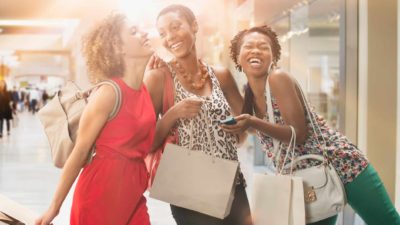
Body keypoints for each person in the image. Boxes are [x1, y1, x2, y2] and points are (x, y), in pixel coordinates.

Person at [223, 25, 400, 225]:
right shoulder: (249, 93)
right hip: (305, 178)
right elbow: (258, 130)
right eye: (249, 46)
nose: (255, 50)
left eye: (263, 47)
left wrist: (253, 121)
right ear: (238, 57)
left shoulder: (277, 78)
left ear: (273, 57)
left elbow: (298, 134)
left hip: (342, 165)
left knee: (388, 222)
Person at [35, 13, 156, 225]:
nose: (144, 33)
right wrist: (53, 208)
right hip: (101, 194)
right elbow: (79, 152)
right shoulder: (109, 93)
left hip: (133, 193)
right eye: (133, 32)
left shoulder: (144, 89)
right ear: (118, 47)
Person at [145, 4, 252, 225]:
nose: (170, 37)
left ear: (194, 26)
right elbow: (145, 142)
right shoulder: (158, 78)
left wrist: (237, 129)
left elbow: (245, 132)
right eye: (163, 33)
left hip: (232, 183)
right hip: (190, 189)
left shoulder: (221, 76)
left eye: (176, 27)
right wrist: (173, 114)